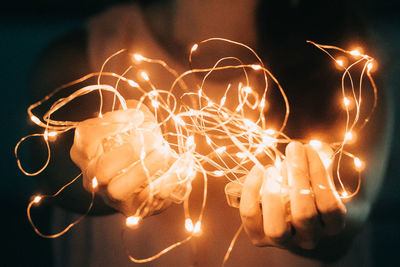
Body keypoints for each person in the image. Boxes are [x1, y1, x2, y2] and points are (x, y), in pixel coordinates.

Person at [29, 0, 392, 266]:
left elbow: (347, 218)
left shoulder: (344, 62)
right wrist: (94, 174)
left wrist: (318, 225)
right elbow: (51, 171)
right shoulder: (81, 58)